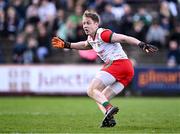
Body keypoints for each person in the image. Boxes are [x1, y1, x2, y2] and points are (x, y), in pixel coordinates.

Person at [51, 10, 158, 128]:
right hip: (127, 71)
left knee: (91, 90)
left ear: (96, 24)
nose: (85, 25)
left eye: (88, 23)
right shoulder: (91, 38)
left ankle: (109, 108)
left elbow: (124, 38)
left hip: (119, 64)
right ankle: (109, 120)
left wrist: (141, 44)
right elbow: (85, 45)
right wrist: (67, 45)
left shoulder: (103, 34)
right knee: (101, 97)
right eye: (84, 23)